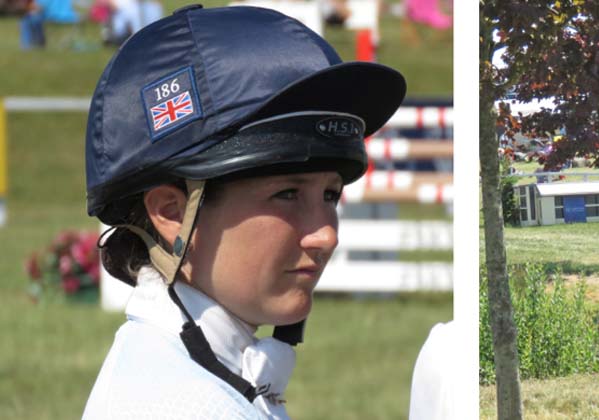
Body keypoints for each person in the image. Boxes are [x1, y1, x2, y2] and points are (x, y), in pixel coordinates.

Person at [82, 6, 406, 419]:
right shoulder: (190, 406)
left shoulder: (190, 368)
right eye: (287, 193)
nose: (326, 236)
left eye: (330, 195)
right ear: (171, 213)